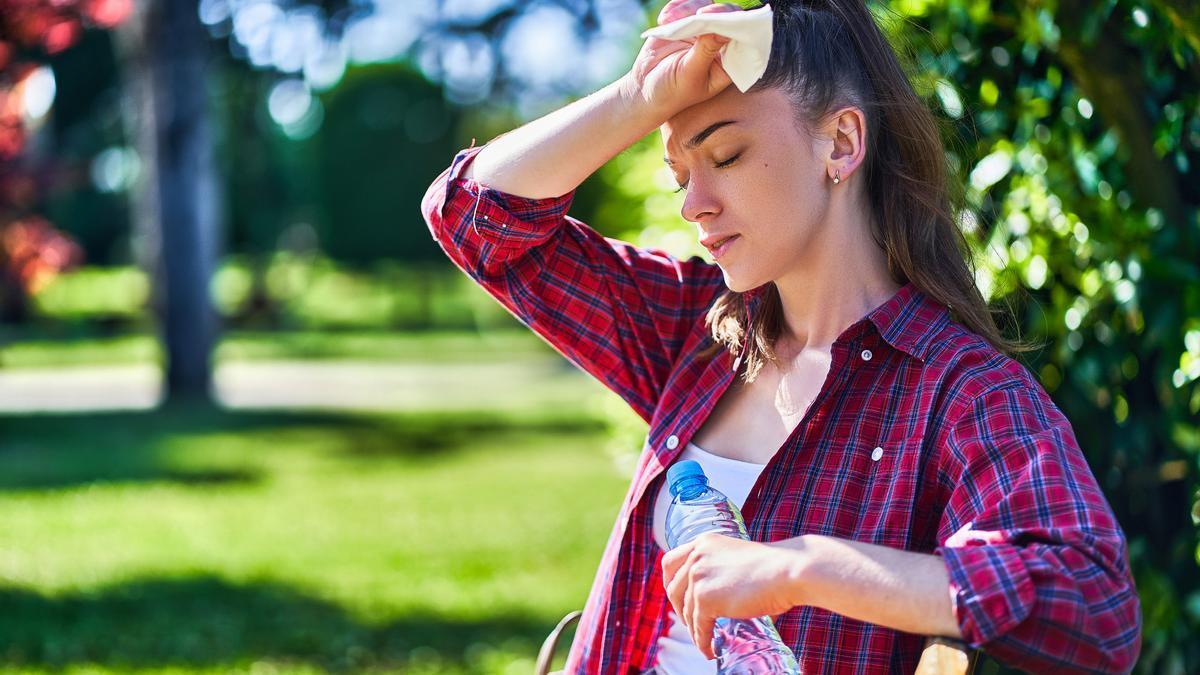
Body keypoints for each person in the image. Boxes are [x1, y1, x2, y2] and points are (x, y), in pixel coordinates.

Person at [419, 0, 1142, 672]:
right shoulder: (697, 333)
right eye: (679, 176)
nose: (695, 206)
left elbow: (1095, 604)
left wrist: (802, 566)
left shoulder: (959, 392)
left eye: (726, 156)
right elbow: (475, 219)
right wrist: (641, 99)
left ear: (841, 141)